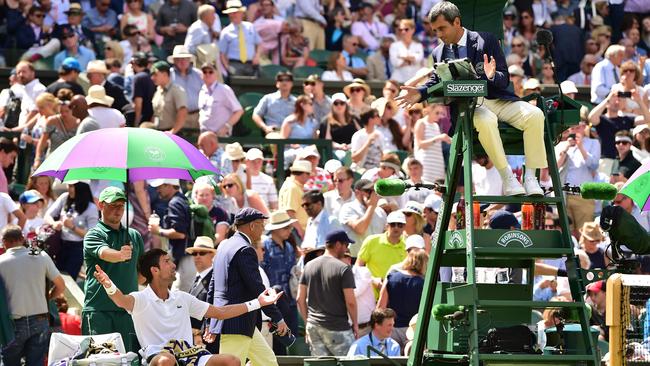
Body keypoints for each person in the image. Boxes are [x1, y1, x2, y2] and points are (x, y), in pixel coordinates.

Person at [396, 1, 547, 197]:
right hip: (470, 108)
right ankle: (507, 176)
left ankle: (531, 178)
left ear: (457, 22)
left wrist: (491, 76)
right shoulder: (438, 52)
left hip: (499, 100)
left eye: (442, 28)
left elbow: (504, 80)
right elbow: (435, 80)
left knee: (535, 115)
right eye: (435, 30)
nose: (439, 34)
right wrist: (420, 93)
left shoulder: (487, 40)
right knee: (486, 119)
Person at [93, 247, 282, 366]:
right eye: (167, 262)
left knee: (231, 361)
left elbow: (221, 312)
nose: (174, 265)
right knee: (167, 361)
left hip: (190, 355)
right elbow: (121, 300)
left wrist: (257, 303)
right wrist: (108, 284)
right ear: (154, 270)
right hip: (159, 357)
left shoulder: (182, 297)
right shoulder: (140, 299)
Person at [207, 208, 288, 366]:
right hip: (236, 323)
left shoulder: (224, 246)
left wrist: (210, 321)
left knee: (268, 362)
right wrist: (278, 318)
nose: (263, 229)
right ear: (252, 226)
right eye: (261, 225)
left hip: (240, 323)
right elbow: (257, 289)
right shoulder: (245, 249)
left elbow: (212, 287)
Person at [82, 186, 144, 353]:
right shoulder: (94, 234)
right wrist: (120, 255)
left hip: (127, 310)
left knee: (128, 360)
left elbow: (142, 272)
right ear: (101, 205)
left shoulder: (135, 235)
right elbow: (105, 254)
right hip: (99, 311)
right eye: (113, 205)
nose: (118, 210)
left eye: (121, 206)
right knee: (100, 361)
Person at [0, 225, 65, 366]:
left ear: (3, 241)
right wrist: (48, 298)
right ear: (22, 239)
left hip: (12, 324)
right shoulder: (40, 255)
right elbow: (61, 285)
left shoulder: (1, 262)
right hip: (40, 320)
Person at [297, 230, 358, 356]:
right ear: (337, 245)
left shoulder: (308, 266)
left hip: (313, 327)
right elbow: (351, 302)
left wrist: (308, 321)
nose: (347, 249)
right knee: (348, 363)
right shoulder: (344, 268)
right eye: (346, 245)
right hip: (337, 327)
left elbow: (299, 298)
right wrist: (356, 325)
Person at [261, 210, 298, 354]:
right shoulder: (265, 247)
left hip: (289, 301)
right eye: (286, 227)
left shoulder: (289, 247)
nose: (290, 230)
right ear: (275, 229)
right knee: (276, 345)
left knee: (290, 339)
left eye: (290, 227)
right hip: (273, 304)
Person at [148, 179, 194, 293]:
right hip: (187, 257)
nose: (157, 190)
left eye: (160, 186)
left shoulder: (175, 203)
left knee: (179, 297)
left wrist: (158, 231)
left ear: (169, 186)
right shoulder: (183, 199)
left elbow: (180, 234)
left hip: (186, 259)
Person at [45, 181, 98, 279]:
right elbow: (48, 215)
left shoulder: (91, 208)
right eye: (68, 185)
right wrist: (54, 223)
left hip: (77, 248)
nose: (68, 188)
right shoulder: (64, 197)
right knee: (55, 277)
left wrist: (73, 227)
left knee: (69, 279)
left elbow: (92, 235)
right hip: (60, 245)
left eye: (72, 186)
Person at [377, 249, 428, 349]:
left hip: (392, 328)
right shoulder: (424, 283)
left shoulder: (391, 278)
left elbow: (380, 307)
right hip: (414, 330)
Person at [186, 236, 218, 353]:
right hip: (196, 342)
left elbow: (214, 308)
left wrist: (198, 333)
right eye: (195, 253)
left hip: (208, 341)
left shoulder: (215, 279)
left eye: (202, 252)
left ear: (212, 255)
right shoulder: (198, 278)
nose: (198, 256)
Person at [339, 178, 386, 257]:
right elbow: (360, 229)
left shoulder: (380, 212)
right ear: (357, 193)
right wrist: (371, 206)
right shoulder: (348, 207)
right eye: (368, 191)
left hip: (375, 259)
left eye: (374, 191)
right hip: (354, 258)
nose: (372, 195)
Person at [356, 211, 407, 280]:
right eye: (393, 224)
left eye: (400, 225)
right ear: (386, 226)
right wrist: (374, 281)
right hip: (371, 289)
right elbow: (358, 267)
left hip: (397, 289)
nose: (396, 227)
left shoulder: (407, 245)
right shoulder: (371, 241)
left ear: (404, 227)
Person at [198, 61, 243, 135]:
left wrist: (226, 127)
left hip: (219, 136)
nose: (207, 74)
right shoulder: (202, 90)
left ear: (216, 74)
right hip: (204, 134)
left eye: (210, 72)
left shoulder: (224, 89)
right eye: (204, 72)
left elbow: (239, 111)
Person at [219, 0, 261, 77]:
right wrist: (228, 68)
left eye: (235, 12)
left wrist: (257, 56)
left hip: (251, 64)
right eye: (231, 13)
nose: (233, 15)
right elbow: (222, 54)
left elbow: (259, 44)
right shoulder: (225, 32)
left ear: (241, 13)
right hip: (235, 65)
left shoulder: (250, 27)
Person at [168, 46, 203, 131]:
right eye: (179, 59)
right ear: (174, 61)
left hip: (198, 115)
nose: (182, 61)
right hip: (177, 116)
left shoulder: (198, 74)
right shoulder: (169, 75)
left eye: (185, 58)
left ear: (189, 60)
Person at [151, 61, 188, 135]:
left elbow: (183, 113)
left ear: (165, 74)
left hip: (173, 133)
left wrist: (172, 132)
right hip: (159, 132)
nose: (152, 78)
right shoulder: (158, 91)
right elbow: (156, 113)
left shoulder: (176, 90)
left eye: (155, 75)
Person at [278, 160, 312, 237]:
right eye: (308, 174)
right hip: (295, 231)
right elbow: (289, 212)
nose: (309, 177)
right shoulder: (292, 187)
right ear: (304, 174)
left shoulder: (293, 186)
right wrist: (300, 231)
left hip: (294, 230)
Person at [351, 109, 385, 173]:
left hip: (377, 171)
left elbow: (383, 156)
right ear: (370, 120)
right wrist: (368, 142)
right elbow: (355, 159)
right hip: (360, 171)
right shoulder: (358, 136)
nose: (379, 117)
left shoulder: (380, 134)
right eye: (377, 115)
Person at [389, 19, 424, 83]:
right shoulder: (394, 46)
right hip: (398, 81)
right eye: (400, 30)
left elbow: (418, 59)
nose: (403, 32)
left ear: (413, 30)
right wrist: (411, 60)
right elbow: (395, 63)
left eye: (406, 29)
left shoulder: (418, 45)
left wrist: (401, 57)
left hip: (415, 81)